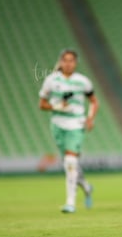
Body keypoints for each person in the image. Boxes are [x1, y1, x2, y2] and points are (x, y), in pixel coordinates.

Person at [39, 49, 98, 213]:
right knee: (69, 163)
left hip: (76, 123)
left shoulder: (83, 81)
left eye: (71, 60)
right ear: (60, 61)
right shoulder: (51, 80)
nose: (68, 63)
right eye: (65, 60)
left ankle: (70, 202)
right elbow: (42, 104)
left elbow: (94, 101)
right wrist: (56, 106)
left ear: (76, 62)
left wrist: (90, 118)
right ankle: (86, 187)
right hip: (57, 124)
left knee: (70, 161)